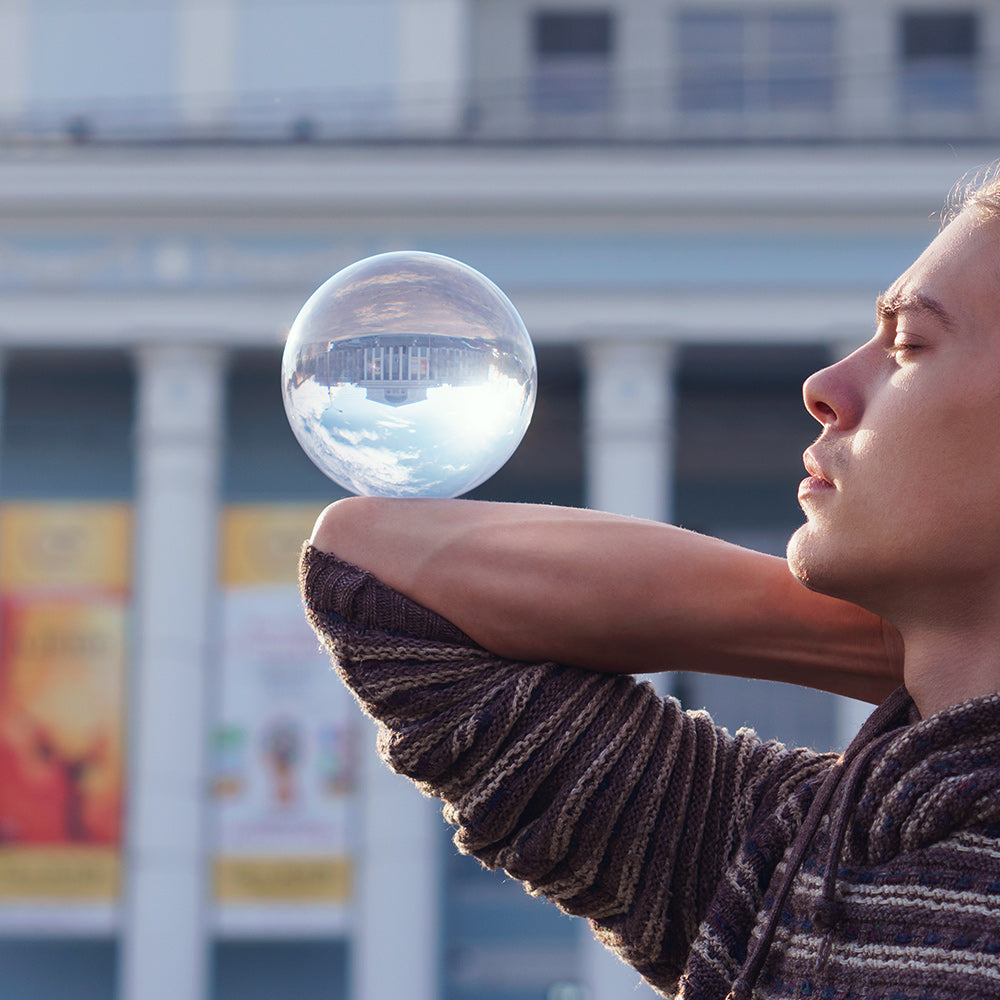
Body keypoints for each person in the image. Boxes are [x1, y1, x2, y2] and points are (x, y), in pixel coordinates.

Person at [298, 174, 1000, 998]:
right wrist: (923, 645)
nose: (828, 388)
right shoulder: (805, 854)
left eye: (910, 344)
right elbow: (374, 571)